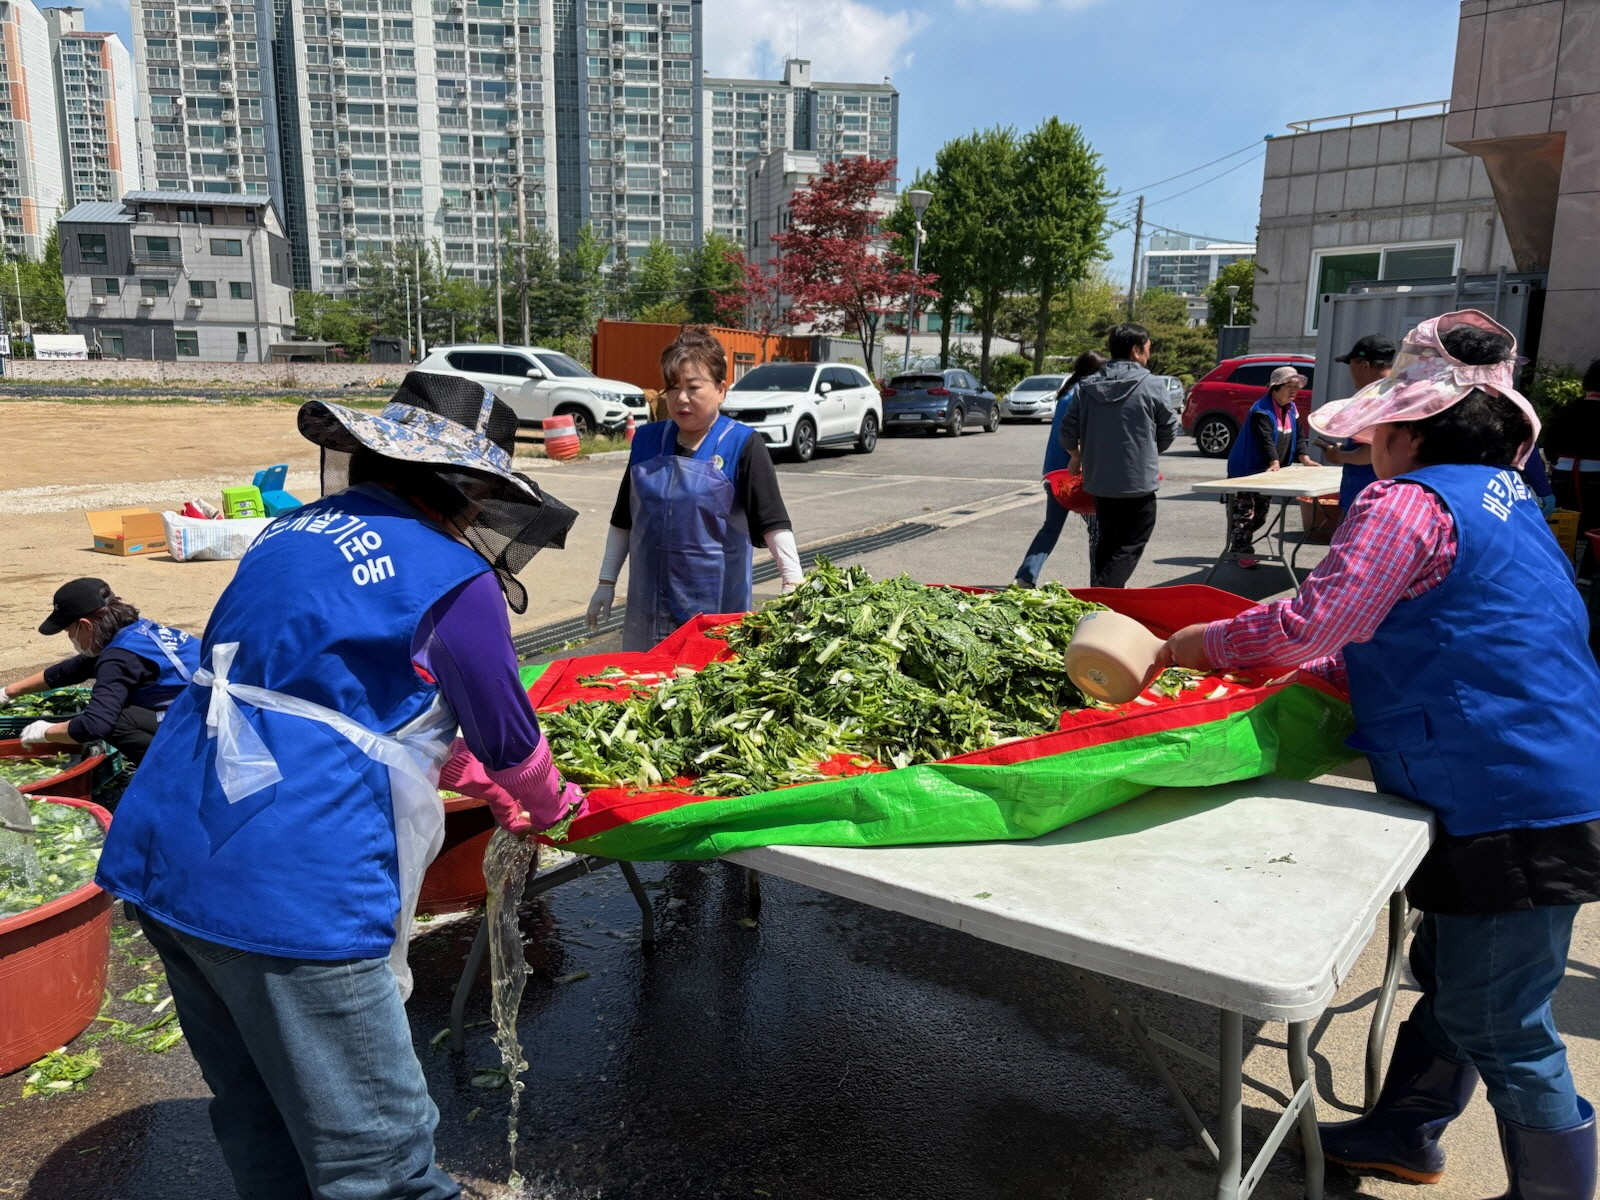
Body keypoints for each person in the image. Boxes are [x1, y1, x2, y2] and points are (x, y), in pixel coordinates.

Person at [94, 371, 584, 1200]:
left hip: (168, 854)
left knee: (260, 1115)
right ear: (466, 488)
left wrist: (474, 780)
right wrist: (553, 804)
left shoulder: (290, 535)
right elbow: (510, 737)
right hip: (292, 890)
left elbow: (327, 704)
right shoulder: (454, 580)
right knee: (380, 1166)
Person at [1157, 310, 1600, 1196]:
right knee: (1455, 976)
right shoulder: (1509, 498)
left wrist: (1194, 646)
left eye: (1380, 429)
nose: (1371, 448)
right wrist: (1312, 671)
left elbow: (1311, 622)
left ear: (1410, 430)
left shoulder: (1409, 503)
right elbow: (1421, 630)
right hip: (1533, 771)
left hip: (1509, 796)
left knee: (1503, 1019)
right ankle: (1406, 1131)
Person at [588, 328, 802, 650]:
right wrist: (606, 581)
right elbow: (624, 518)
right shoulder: (646, 441)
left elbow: (772, 521)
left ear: (720, 390)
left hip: (715, 608)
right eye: (673, 387)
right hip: (648, 609)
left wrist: (792, 580)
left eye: (693, 387)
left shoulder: (742, 443)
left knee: (706, 674)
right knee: (646, 675)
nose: (681, 398)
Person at [0, 578, 199, 764]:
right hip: (206, 708)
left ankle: (175, 770)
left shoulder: (119, 657)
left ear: (85, 625)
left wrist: (45, 732)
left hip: (203, 724)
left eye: (69, 630)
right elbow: (72, 669)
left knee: (115, 721)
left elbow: (94, 725)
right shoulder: (136, 631)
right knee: (116, 704)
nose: (70, 636)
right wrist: (8, 692)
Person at [1059, 323, 1179, 587]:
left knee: (1109, 540)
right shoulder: (1152, 384)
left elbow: (1067, 432)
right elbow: (1170, 429)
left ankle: (1102, 597)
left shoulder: (1086, 386)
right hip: (1137, 482)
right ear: (1136, 350)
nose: (1149, 354)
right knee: (1132, 541)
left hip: (1099, 481)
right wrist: (1146, 452)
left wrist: (1076, 456)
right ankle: (1104, 592)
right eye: (1148, 348)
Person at [1012, 351, 1106, 587]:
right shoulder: (1085, 394)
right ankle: (1100, 583)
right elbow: (1073, 434)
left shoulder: (1067, 391)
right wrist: (1078, 457)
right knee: (1098, 529)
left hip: (1054, 472)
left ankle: (1026, 576)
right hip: (1075, 473)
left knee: (1051, 527)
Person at [1223, 366, 1318, 569]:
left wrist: (1305, 458)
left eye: (1297, 387)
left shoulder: (1291, 409)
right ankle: (1242, 550)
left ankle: (1238, 544)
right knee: (1244, 514)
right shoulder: (1262, 410)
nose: (1294, 391)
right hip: (1246, 470)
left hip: (1268, 472)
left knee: (1260, 515)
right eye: (1290, 386)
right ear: (1275, 387)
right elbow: (1264, 439)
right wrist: (1274, 461)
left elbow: (1299, 435)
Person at [1320, 333, 1396, 515]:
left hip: (1366, 499)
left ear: (1364, 365)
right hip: (1386, 497)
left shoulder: (1375, 399)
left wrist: (1339, 456)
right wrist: (1346, 449)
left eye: (1351, 365)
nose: (1350, 373)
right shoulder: (1398, 393)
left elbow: (1371, 453)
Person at [1544, 357, 1600, 544]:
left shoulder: (1564, 411)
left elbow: (1550, 448)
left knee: (1566, 531)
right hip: (1596, 478)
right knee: (1594, 532)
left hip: (1563, 476)